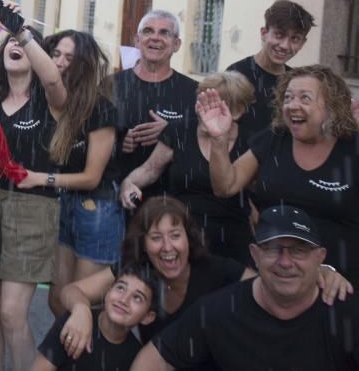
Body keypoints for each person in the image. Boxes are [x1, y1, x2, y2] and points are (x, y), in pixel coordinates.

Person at [56, 196, 351, 363]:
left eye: (175, 235)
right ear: (144, 244)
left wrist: (323, 272)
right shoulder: (137, 268)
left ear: (189, 237)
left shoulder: (217, 270)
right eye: (156, 238)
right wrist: (81, 309)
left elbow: (276, 281)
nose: (168, 247)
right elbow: (70, 292)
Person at [131, 205, 359, 371]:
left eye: (298, 250)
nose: (286, 261)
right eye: (273, 249)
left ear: (320, 258)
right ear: (255, 255)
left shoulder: (347, 312)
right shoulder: (218, 310)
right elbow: (152, 360)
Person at [0, 12, 67, 371]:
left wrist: (22, 31)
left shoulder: (50, 101)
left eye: (22, 42)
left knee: (11, 314)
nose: (14, 44)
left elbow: (53, 76)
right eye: (8, 40)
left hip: (33, 208)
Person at [202, 64, 359, 279]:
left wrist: (331, 271)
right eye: (288, 98)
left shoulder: (351, 147)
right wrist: (218, 139)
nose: (292, 105)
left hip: (337, 278)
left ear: (331, 106)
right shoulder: (274, 138)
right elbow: (225, 186)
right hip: (274, 270)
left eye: (305, 98)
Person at [120, 71, 255, 264]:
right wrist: (129, 182)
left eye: (215, 105)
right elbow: (149, 170)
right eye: (202, 102)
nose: (205, 110)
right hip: (183, 231)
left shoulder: (250, 141)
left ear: (237, 111)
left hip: (230, 235)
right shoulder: (180, 130)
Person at [33, 30, 121, 318]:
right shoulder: (47, 101)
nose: (59, 62)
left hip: (97, 209)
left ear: (83, 63)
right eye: (55, 54)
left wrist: (41, 179)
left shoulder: (100, 108)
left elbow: (92, 177)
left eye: (69, 57)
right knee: (57, 301)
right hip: (63, 204)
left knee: (83, 303)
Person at [111, 10, 198, 200]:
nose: (155, 38)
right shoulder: (110, 86)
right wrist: (116, 140)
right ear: (137, 40)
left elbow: (204, 147)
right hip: (114, 197)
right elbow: (86, 136)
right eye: (148, 31)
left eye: (164, 33)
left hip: (171, 201)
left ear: (176, 44)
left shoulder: (193, 92)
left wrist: (172, 132)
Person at [33, 263, 158, 371]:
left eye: (137, 298)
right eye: (120, 288)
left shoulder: (135, 357)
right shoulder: (74, 323)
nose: (124, 300)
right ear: (108, 292)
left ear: (148, 317)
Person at [226, 0, 314, 145]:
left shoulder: (297, 82)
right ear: (264, 33)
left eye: (295, 38)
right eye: (279, 35)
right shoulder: (236, 74)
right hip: (239, 164)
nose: (285, 45)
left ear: (303, 43)